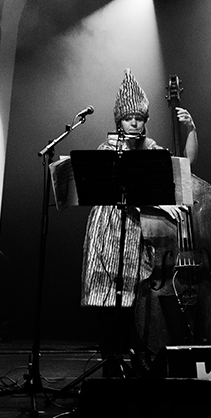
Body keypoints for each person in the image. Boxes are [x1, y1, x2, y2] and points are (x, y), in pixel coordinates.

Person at [76, 70, 197, 360]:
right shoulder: (107, 148)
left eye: (139, 118)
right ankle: (109, 359)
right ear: (119, 120)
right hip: (108, 230)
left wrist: (191, 131)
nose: (134, 122)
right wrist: (160, 204)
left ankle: (131, 359)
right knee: (106, 300)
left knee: (134, 298)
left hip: (136, 231)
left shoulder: (150, 148)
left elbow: (184, 166)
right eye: (129, 118)